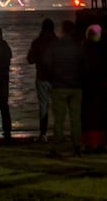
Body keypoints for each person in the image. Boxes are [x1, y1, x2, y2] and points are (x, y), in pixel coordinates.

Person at [46, 20, 87, 157]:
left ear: (62, 30)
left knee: (59, 119)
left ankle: (57, 147)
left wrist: (52, 79)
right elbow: (84, 66)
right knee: (76, 118)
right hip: (76, 87)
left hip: (59, 87)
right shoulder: (78, 47)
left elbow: (47, 64)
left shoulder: (55, 46)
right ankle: (77, 146)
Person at [26, 18, 57, 142]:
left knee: (43, 106)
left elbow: (30, 60)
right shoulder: (57, 42)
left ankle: (43, 134)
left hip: (42, 77)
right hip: (56, 78)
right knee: (58, 107)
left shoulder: (36, 42)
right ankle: (58, 132)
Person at [81, 24, 107, 153]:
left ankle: (89, 143)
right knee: (101, 116)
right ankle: (101, 143)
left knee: (87, 116)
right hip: (100, 87)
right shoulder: (103, 50)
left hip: (87, 86)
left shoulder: (83, 49)